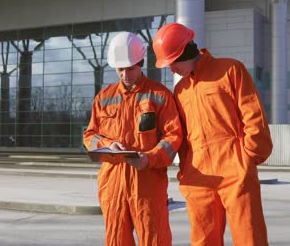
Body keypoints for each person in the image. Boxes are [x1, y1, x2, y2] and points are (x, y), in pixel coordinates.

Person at [152, 23, 273, 246]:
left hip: (235, 170)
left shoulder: (230, 70)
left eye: (173, 63)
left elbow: (254, 116)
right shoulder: (181, 90)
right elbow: (183, 136)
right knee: (203, 240)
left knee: (249, 237)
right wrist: (186, 171)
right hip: (199, 177)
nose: (171, 70)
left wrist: (247, 159)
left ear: (184, 53)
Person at [83, 31, 182, 246]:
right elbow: (90, 135)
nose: (125, 75)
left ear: (141, 63)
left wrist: (149, 158)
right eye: (120, 69)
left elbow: (173, 136)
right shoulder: (104, 97)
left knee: (154, 239)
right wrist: (107, 144)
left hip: (147, 184)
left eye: (130, 68)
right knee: (117, 240)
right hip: (112, 183)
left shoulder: (160, 95)